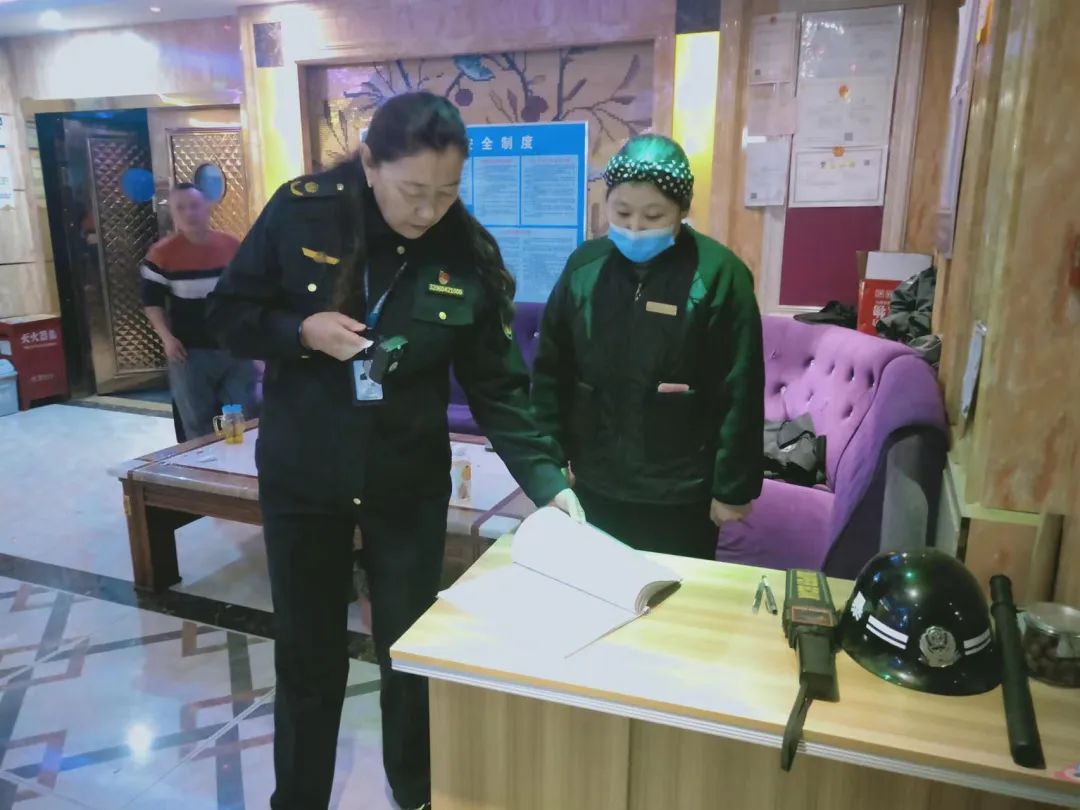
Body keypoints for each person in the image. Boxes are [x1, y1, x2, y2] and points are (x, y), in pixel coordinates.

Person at [205, 92, 583, 810]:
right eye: (413, 191)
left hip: (405, 479)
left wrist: (549, 485)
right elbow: (227, 315)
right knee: (308, 655)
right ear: (370, 162)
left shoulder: (464, 252)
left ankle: (416, 795)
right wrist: (301, 332)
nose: (429, 210)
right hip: (306, 473)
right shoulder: (302, 212)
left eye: (447, 191)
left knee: (411, 652)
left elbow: (500, 387)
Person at [532, 134, 765, 559]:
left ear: (682, 210)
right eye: (622, 212)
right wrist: (549, 460)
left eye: (653, 215)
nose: (635, 228)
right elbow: (552, 370)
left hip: (681, 492)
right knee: (594, 586)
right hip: (594, 481)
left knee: (677, 595)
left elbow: (741, 388)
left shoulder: (719, 274)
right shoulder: (585, 267)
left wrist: (732, 488)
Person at [140, 183, 256, 438]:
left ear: (207, 208)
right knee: (197, 422)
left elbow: (249, 292)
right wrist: (167, 338)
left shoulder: (231, 246)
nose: (189, 213)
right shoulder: (161, 254)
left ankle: (241, 462)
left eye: (194, 206)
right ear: (173, 214)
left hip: (234, 348)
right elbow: (152, 302)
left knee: (244, 417)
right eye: (180, 208)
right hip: (189, 352)